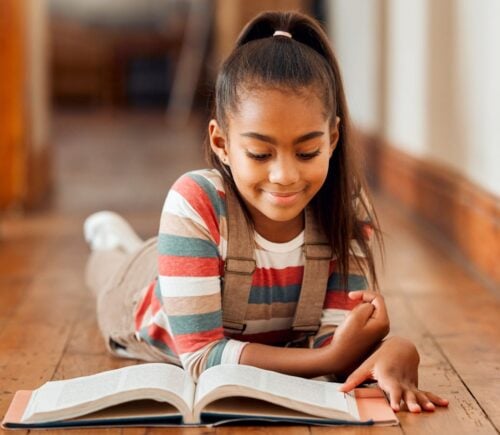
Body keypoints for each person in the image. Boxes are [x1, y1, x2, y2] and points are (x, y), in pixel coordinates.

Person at [84, 10, 448, 414]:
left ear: (332, 138)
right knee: (104, 269)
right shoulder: (195, 201)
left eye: (308, 151)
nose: (284, 175)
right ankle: (110, 240)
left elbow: (333, 338)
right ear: (221, 143)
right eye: (260, 153)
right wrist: (327, 361)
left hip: (200, 268)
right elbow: (203, 358)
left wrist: (397, 348)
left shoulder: (346, 206)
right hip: (139, 292)